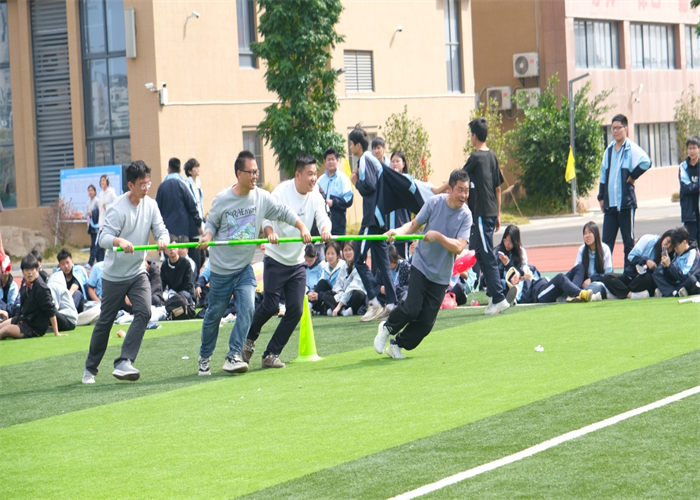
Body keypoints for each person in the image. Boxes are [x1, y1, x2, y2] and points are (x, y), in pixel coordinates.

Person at [196, 150, 310, 376]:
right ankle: (204, 356)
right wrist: (207, 237)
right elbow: (211, 225)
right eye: (251, 172)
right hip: (221, 270)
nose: (255, 176)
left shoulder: (261, 197)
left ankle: (233, 355)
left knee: (248, 309)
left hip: (243, 269)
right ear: (239, 173)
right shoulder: (222, 199)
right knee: (214, 315)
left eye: (257, 172)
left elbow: (283, 211)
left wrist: (301, 226)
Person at [83, 160, 169, 384]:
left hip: (137, 272)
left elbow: (162, 230)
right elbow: (103, 239)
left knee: (144, 312)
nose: (146, 188)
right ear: (130, 185)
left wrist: (162, 239)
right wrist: (119, 241)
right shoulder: (117, 208)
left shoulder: (151, 205)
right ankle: (90, 369)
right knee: (105, 322)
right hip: (114, 276)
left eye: (148, 183)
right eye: (142, 184)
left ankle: (124, 361)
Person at [242, 154, 331, 369]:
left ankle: (271, 354)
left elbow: (323, 218)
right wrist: (270, 232)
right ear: (298, 175)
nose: (313, 178)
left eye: (315, 174)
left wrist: (325, 229)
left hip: (297, 262)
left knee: (296, 310)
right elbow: (265, 217)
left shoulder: (316, 195)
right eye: (309, 174)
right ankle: (249, 338)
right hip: (276, 258)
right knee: (270, 306)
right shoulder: (282, 191)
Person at [373, 169, 472, 359]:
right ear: (450, 189)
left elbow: (459, 247)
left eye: (466, 191)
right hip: (421, 265)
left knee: (426, 323)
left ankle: (397, 345)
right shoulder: (434, 203)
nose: (464, 195)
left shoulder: (466, 215)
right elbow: (413, 225)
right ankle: (387, 328)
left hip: (441, 275)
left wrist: (438, 237)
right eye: (460, 190)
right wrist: (397, 232)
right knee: (412, 308)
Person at [349, 126, 398, 322]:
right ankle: (392, 304)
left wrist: (356, 182)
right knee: (383, 264)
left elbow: (369, 185)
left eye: (351, 144)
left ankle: (375, 301)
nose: (350, 148)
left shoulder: (365, 159)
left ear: (357, 145)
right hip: (380, 218)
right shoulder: (372, 160)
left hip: (371, 219)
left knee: (358, 259)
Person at [462, 117, 509, 315]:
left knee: (487, 254)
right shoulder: (492, 156)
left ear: (474, 135)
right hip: (489, 212)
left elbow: (460, 178)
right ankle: (492, 294)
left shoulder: (475, 158)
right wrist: (498, 213)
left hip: (481, 213)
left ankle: (499, 298)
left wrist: (440, 190)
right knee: (480, 253)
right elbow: (498, 188)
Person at [597, 114, 651, 260]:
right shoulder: (608, 151)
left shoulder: (631, 148)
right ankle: (604, 271)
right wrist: (601, 197)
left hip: (626, 205)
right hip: (610, 206)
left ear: (625, 128)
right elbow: (603, 174)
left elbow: (646, 162)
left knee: (628, 243)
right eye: (612, 128)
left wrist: (633, 176)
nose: (615, 131)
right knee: (606, 244)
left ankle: (629, 271)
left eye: (618, 128)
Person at [0, 253, 64, 339]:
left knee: (5, 330)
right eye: (26, 270)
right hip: (23, 319)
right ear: (23, 271)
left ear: (37, 269)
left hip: (34, 327)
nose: (29, 273)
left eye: (32, 269)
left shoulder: (41, 287)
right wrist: (17, 318)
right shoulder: (25, 283)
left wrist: (56, 332)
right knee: (1, 326)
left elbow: (51, 310)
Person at [602, 230, 674, 299]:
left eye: (671, 247)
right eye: (668, 241)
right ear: (664, 236)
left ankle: (619, 294)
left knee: (648, 278)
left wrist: (666, 266)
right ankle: (631, 295)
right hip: (631, 276)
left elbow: (664, 278)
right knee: (608, 277)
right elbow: (631, 257)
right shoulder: (648, 239)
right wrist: (646, 261)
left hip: (644, 281)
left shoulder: (671, 257)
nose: (668, 246)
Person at [155, 157, 203, 243]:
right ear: (180, 170)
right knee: (183, 251)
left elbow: (156, 210)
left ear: (169, 170)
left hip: (167, 232)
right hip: (183, 231)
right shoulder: (184, 184)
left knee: (171, 251)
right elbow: (192, 205)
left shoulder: (162, 187)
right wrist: (199, 224)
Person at [652, 226, 700, 297]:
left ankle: (668, 292)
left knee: (691, 280)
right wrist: (666, 267)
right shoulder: (676, 254)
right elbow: (672, 275)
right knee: (657, 274)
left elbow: (684, 275)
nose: (675, 249)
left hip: (687, 281)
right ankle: (674, 292)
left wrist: (669, 266)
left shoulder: (692, 253)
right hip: (677, 283)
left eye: (676, 246)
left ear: (684, 242)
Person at [317, 147, 353, 236]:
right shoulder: (320, 180)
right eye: (328, 159)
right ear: (324, 161)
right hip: (321, 226)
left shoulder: (343, 179)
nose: (331, 162)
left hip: (337, 224)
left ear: (337, 160)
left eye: (333, 159)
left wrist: (333, 202)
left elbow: (349, 199)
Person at [307, 241, 346, 315]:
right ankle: (310, 305)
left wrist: (320, 295)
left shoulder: (343, 266)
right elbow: (321, 284)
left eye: (332, 254)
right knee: (322, 283)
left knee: (325, 295)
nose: (330, 256)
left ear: (337, 255)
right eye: (328, 254)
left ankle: (339, 309)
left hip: (340, 294)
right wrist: (312, 294)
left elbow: (339, 289)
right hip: (328, 294)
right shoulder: (325, 267)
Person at [330, 241, 367, 317]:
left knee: (358, 294)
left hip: (353, 296)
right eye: (345, 250)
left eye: (350, 250)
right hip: (343, 295)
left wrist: (339, 306)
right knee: (326, 294)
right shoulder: (344, 265)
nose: (347, 253)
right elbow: (338, 284)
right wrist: (340, 292)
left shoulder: (360, 265)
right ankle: (343, 310)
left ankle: (344, 310)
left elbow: (352, 287)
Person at [184, 158, 207, 275]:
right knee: (195, 254)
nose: (198, 169)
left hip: (200, 221)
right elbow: (191, 206)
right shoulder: (186, 185)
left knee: (202, 255)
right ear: (189, 171)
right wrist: (198, 224)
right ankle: (195, 278)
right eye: (195, 167)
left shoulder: (198, 184)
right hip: (192, 225)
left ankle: (198, 278)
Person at [49, 248, 89, 313]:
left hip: (78, 303)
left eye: (68, 262)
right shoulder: (57, 274)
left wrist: (65, 301)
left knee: (77, 293)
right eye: (63, 264)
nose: (66, 266)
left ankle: (68, 313)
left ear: (72, 262)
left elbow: (74, 288)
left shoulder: (79, 270)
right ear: (59, 265)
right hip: (62, 304)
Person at [679, 136, 700, 245]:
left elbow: (691, 187)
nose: (692, 151)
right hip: (689, 212)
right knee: (691, 244)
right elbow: (686, 188)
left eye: (694, 148)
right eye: (689, 148)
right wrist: (698, 186)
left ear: (699, 149)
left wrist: (694, 186)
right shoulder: (683, 167)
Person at [97, 174, 117, 262]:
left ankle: (110, 260)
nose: (102, 182)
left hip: (109, 221)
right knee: (101, 243)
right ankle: (102, 261)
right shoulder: (100, 193)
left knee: (108, 242)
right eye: (101, 181)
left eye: (103, 180)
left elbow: (116, 203)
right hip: (102, 220)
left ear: (107, 181)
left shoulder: (111, 192)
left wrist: (108, 206)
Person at [86, 184, 100, 267]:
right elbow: (86, 213)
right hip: (91, 225)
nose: (90, 192)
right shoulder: (88, 202)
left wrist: (93, 212)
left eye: (92, 190)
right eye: (89, 190)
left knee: (94, 245)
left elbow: (99, 212)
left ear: (95, 191)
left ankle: (90, 262)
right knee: (94, 244)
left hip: (97, 226)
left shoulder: (97, 201)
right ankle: (99, 261)